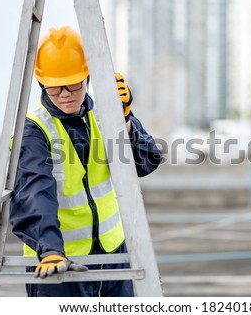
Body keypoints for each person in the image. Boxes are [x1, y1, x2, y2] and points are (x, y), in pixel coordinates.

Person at [9, 25, 162, 297]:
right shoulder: (34, 130)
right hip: (58, 263)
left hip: (113, 254)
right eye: (56, 88)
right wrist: (50, 250)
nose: (65, 94)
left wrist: (125, 121)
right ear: (42, 83)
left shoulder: (106, 114)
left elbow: (146, 161)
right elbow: (34, 193)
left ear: (88, 77)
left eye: (74, 83)